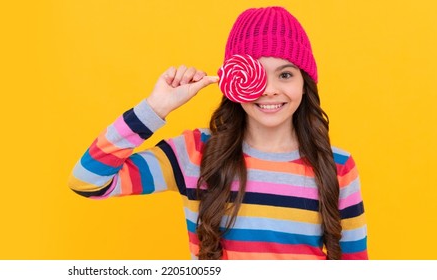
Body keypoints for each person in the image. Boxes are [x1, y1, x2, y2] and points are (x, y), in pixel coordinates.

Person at [68, 6, 368, 260]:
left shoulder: (338, 166)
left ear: (306, 82)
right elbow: (88, 181)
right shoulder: (194, 154)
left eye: (286, 74)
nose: (269, 90)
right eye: (257, 75)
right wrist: (155, 108)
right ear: (235, 79)